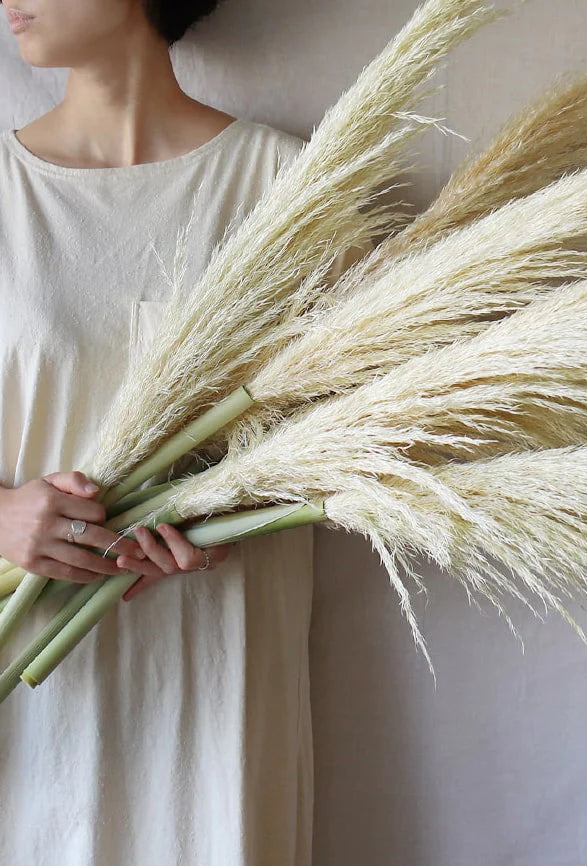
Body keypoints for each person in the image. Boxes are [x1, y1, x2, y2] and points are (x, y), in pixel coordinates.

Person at [0, 1, 341, 862]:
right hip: (30, 695)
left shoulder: (285, 186)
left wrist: (227, 512)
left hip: (212, 667)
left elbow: (340, 434)